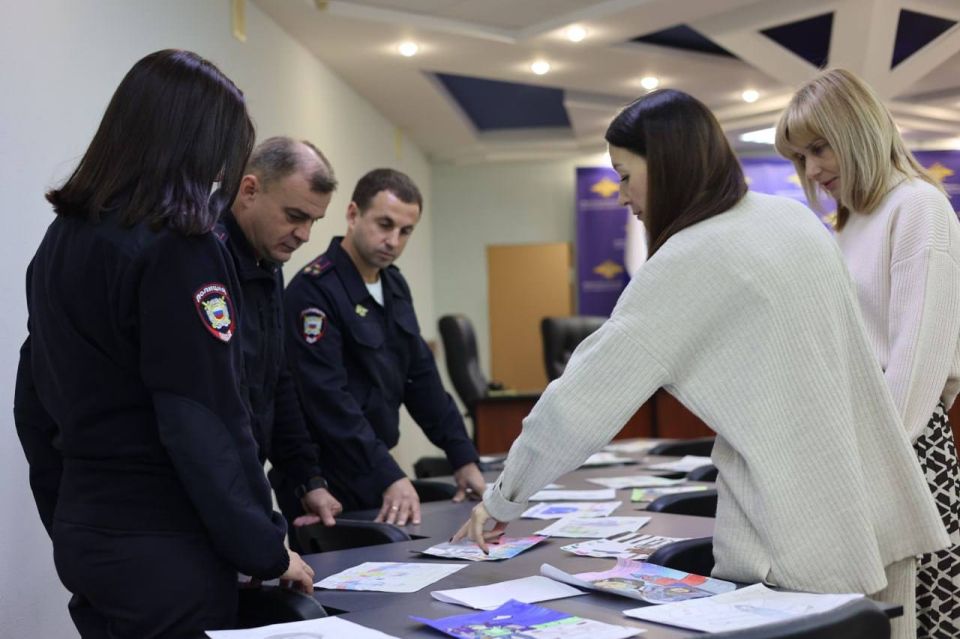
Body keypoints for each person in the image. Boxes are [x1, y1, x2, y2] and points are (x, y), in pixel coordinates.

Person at [454, 89, 949, 639]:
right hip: (873, 511)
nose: (621, 196)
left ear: (663, 167)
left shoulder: (687, 259)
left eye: (624, 175)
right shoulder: (791, 218)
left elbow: (579, 402)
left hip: (792, 542)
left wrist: (502, 501)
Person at [13, 50, 313, 639]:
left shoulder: (61, 242)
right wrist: (266, 546)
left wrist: (70, 513)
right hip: (166, 542)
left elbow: (32, 403)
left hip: (90, 532)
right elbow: (205, 420)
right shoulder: (181, 246)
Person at [775, 68, 960, 637]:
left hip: (901, 455)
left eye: (819, 148)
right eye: (801, 158)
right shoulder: (850, 223)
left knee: (917, 623)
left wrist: (861, 462)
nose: (813, 171)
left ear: (857, 129)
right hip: (863, 447)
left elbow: (919, 363)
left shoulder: (918, 208)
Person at [283, 168, 485, 525]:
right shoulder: (313, 292)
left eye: (405, 231)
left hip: (371, 467)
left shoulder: (393, 284)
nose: (393, 240)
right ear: (352, 214)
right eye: (384, 224)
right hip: (325, 481)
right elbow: (328, 400)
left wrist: (462, 456)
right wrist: (388, 473)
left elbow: (421, 377)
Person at [215, 136, 344, 538]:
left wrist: (309, 479)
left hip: (245, 486)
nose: (304, 235)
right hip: (211, 494)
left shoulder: (267, 260)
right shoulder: (203, 260)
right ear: (250, 190)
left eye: (313, 222)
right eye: (294, 216)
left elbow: (276, 379)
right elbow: (213, 408)